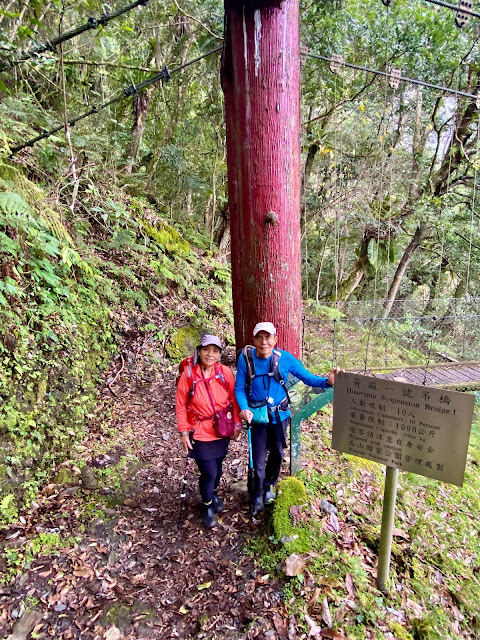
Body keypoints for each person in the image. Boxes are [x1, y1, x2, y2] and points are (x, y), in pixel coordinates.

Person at [235, 322, 343, 517]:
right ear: (254, 340)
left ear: (275, 340)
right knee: (258, 458)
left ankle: (269, 486)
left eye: (268, 337)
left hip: (279, 416)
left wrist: (328, 382)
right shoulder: (246, 360)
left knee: (277, 453)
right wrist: (244, 408)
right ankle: (257, 495)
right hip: (257, 417)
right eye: (259, 337)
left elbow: (308, 379)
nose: (264, 342)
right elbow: (239, 388)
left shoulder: (284, 359)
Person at [176, 334, 242, 528]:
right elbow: (180, 405)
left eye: (215, 351)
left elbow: (233, 399)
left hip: (222, 428)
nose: (210, 354)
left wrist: (236, 424)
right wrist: (183, 432)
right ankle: (206, 506)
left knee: (218, 467)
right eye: (206, 350)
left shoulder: (225, 373)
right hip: (199, 430)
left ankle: (212, 494)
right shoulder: (188, 375)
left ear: (220, 354)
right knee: (209, 471)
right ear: (199, 351)